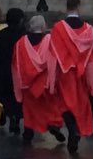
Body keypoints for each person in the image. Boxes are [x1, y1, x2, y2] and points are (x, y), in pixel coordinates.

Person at [48, 0, 93, 154]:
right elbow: (91, 55)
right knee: (81, 104)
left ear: (66, 7)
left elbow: (53, 54)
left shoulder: (58, 28)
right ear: (78, 7)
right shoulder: (88, 29)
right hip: (81, 73)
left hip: (65, 72)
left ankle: (72, 129)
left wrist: (51, 78)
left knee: (64, 104)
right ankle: (77, 130)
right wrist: (91, 80)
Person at [11, 13, 60, 144]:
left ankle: (28, 131)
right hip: (44, 82)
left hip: (28, 83)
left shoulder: (21, 43)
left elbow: (16, 64)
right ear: (43, 27)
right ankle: (53, 124)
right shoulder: (50, 41)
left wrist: (19, 84)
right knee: (50, 106)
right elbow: (54, 61)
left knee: (29, 110)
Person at [0, 7, 27, 134]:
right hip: (18, 71)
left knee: (6, 96)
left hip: (4, 71)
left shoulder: (0, 35)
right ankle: (16, 119)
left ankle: (8, 116)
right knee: (18, 98)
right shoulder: (23, 36)